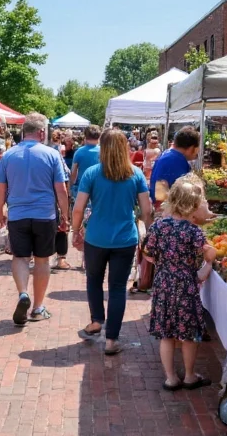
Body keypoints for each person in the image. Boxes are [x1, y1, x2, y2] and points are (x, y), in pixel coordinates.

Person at [74, 129, 153, 355]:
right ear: (125, 148)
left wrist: (75, 231)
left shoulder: (92, 173)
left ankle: (97, 320)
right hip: (124, 238)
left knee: (94, 280)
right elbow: (146, 210)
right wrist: (150, 234)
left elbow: (79, 207)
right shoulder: (135, 174)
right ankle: (112, 339)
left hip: (96, 237)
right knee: (118, 288)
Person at [0, 113, 69, 325]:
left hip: (18, 214)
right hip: (44, 215)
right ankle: (38, 307)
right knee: (42, 260)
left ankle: (22, 293)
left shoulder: (8, 156)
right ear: (41, 132)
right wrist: (65, 214)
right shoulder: (52, 155)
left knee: (19, 257)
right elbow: (61, 189)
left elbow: (1, 188)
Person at [145, 174, 217, 391]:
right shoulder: (194, 232)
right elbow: (208, 256)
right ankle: (189, 375)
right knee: (188, 335)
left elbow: (148, 253)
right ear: (193, 206)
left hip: (163, 285)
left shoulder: (159, 226)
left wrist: (162, 262)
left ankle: (170, 378)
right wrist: (210, 262)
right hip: (186, 286)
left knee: (166, 334)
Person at [149, 127, 200, 205]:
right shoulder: (178, 161)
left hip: (158, 207)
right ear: (191, 148)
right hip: (167, 210)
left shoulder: (167, 154)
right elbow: (183, 195)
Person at [70, 125, 101, 201]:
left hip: (82, 187)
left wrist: (70, 187)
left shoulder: (79, 152)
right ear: (99, 136)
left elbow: (73, 172)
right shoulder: (104, 151)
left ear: (85, 136)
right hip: (99, 188)